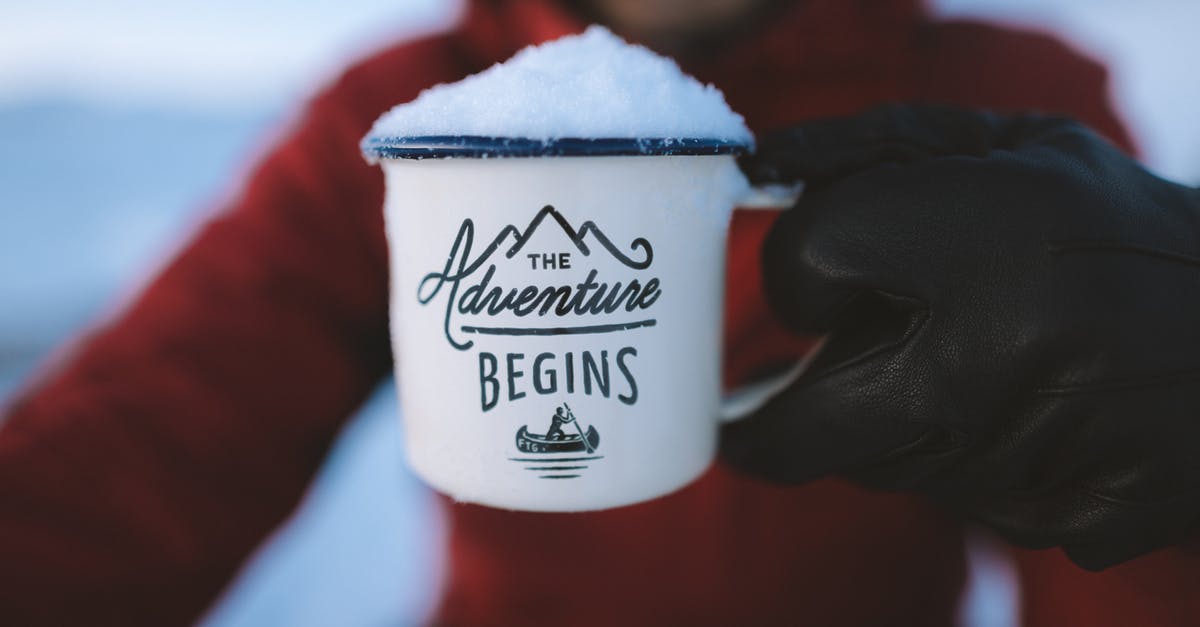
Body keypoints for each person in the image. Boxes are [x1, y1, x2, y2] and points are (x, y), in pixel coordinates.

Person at [1, 0, 1197, 625]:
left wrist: (1180, 482)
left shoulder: (1015, 109)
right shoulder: (400, 115)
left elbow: (1091, 520)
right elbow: (144, 439)